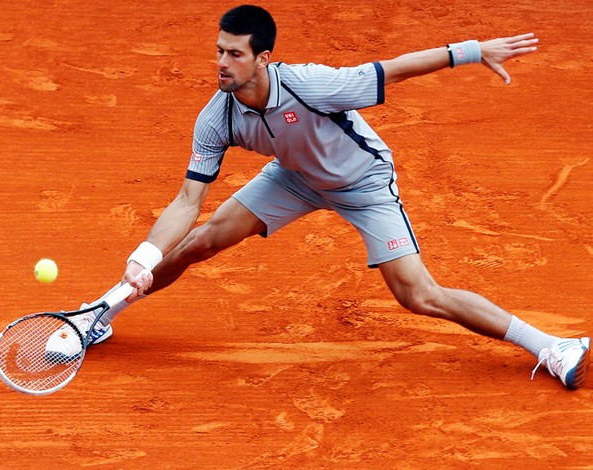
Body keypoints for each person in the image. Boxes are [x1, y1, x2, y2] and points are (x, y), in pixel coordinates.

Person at [47, 5, 589, 389]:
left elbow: (393, 70)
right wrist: (143, 259)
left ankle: (550, 344)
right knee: (196, 241)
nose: (221, 64)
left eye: (234, 54)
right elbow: (188, 199)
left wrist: (472, 50)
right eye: (218, 51)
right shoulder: (218, 115)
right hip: (294, 178)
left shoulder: (314, 85)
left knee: (418, 296)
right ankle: (99, 313)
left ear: (263, 58)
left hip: (364, 186)